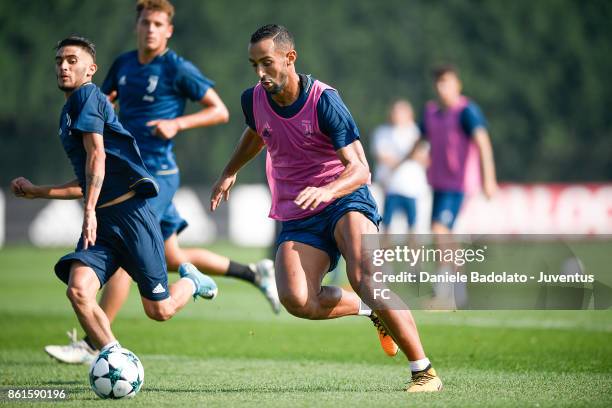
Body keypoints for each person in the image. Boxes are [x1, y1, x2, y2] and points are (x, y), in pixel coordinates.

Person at [43, 0, 280, 365]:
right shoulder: (122, 64)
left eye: (158, 24)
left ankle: (95, 345)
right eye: (144, 23)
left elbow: (220, 110)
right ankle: (250, 271)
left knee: (125, 252)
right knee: (169, 256)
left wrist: (177, 124)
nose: (150, 29)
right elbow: (98, 107)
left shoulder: (176, 67)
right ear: (136, 26)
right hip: (129, 173)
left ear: (168, 30)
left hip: (157, 175)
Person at [210, 24, 442, 392]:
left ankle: (424, 371)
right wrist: (229, 171)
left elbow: (361, 169)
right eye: (254, 64)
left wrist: (327, 189)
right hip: (299, 209)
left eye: (267, 63)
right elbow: (256, 131)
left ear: (290, 58)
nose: (260, 73)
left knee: (365, 277)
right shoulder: (252, 99)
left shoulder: (324, 101)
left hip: (344, 196)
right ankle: (372, 311)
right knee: (296, 299)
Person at [10, 35, 217, 360]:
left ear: (91, 70)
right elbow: (87, 179)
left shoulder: (89, 97)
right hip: (104, 226)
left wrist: (89, 211)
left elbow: (98, 158)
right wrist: (38, 192)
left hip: (132, 217)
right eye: (59, 61)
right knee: (78, 290)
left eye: (72, 60)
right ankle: (113, 358)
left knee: (159, 311)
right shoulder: (68, 112)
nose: (63, 66)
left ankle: (191, 281)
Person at [415, 64, 498, 307]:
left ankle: (441, 293)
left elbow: (482, 142)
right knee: (443, 237)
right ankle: (459, 293)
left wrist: (489, 178)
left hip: (459, 185)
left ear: (457, 85)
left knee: (440, 231)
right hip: (439, 184)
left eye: (447, 83)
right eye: (439, 83)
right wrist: (403, 162)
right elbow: (419, 141)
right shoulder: (430, 112)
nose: (443, 88)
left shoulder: (466, 111)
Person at [371, 99, 428, 233]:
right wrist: (407, 157)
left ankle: (413, 254)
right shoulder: (382, 132)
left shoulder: (417, 133)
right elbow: (382, 157)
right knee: (386, 225)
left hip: (412, 188)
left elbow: (423, 158)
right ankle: (386, 254)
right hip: (390, 187)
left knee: (413, 226)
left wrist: (407, 157)